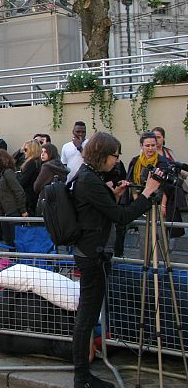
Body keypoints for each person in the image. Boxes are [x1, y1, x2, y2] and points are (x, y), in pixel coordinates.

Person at [72, 132, 160, 388]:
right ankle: (82, 377)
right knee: (86, 318)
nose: (116, 161)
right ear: (102, 154)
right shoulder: (89, 179)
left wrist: (116, 195)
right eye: (114, 156)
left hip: (90, 253)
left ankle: (83, 376)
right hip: (93, 256)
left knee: (86, 317)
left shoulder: (88, 176)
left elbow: (101, 214)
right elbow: (121, 217)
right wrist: (147, 193)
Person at [127, 131, 185, 239]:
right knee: (144, 238)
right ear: (141, 146)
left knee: (161, 237)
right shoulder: (135, 161)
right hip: (141, 203)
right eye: (147, 145)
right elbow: (132, 182)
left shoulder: (163, 162)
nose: (150, 148)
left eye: (153, 145)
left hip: (159, 204)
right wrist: (136, 201)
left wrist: (163, 205)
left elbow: (167, 187)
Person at [0, 149, 28, 246]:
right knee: (8, 240)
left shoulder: (8, 173)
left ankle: (18, 259)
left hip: (13, 210)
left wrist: (23, 210)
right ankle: (12, 259)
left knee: (15, 239)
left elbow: (18, 191)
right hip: (4, 211)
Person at [33, 143, 69, 209]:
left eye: (45, 152)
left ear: (51, 153)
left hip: (46, 199)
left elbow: (37, 186)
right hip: (59, 201)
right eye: (41, 152)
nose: (42, 154)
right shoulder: (60, 166)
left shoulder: (47, 167)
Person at [17, 140, 42, 214]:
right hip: (32, 196)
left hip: (28, 198)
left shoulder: (31, 163)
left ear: (32, 150)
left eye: (26, 150)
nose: (24, 152)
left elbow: (23, 181)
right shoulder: (36, 162)